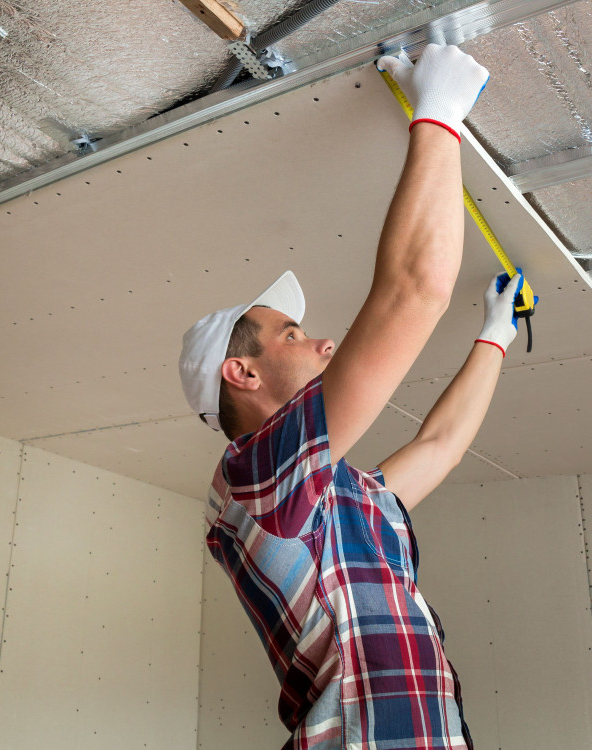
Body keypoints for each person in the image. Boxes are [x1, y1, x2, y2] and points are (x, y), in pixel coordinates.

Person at [179, 44, 523, 750]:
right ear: (240, 374)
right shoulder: (251, 484)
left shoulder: (327, 494)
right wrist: (438, 116)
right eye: (294, 333)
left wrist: (494, 338)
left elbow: (441, 447)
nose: (324, 344)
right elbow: (412, 295)